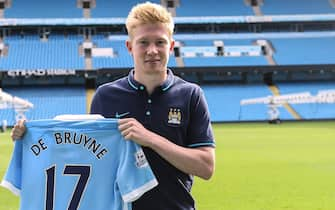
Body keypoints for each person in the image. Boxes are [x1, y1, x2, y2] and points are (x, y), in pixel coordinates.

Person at [11, 2, 215, 210]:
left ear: (171, 46)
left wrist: (149, 139)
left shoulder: (191, 95)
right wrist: (30, 136)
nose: (152, 50)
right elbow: (86, 154)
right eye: (143, 42)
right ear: (129, 47)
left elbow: (206, 167)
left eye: (160, 42)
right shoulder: (106, 96)